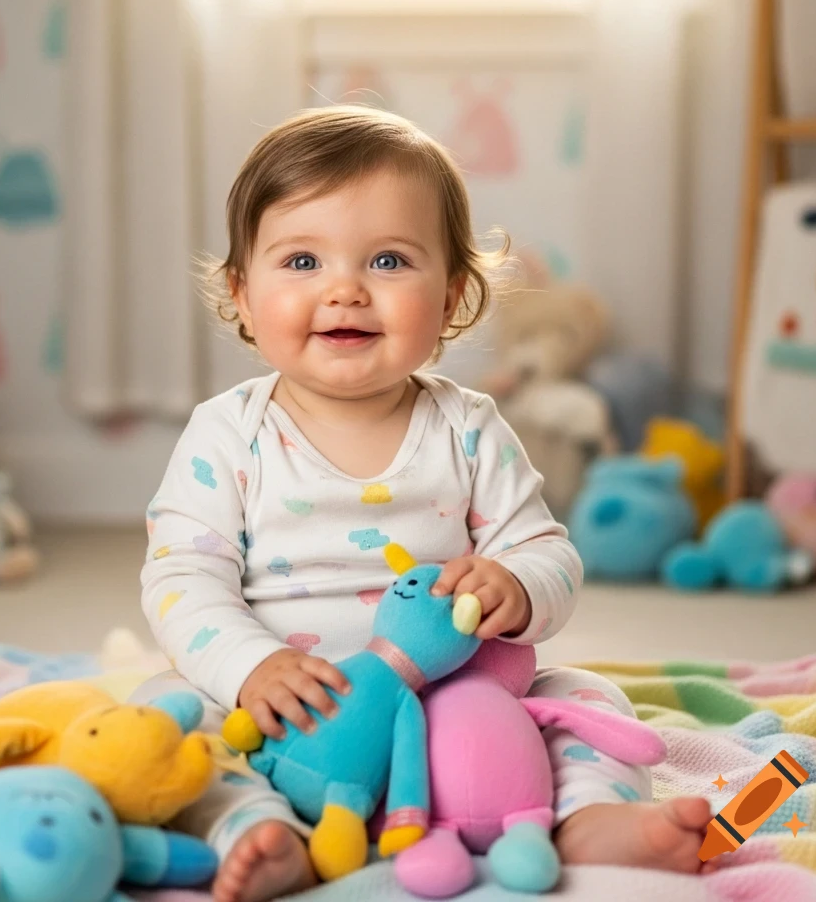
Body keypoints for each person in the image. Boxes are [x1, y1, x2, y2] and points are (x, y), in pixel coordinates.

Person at [136, 107, 711, 902]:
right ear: (241, 291)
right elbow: (180, 579)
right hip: (286, 716)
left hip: (454, 707)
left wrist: (516, 587)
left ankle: (583, 820)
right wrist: (250, 668)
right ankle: (265, 834)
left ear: (451, 298)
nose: (344, 289)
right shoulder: (227, 433)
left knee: (585, 698)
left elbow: (547, 552)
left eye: (387, 260)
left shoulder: (467, 427)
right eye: (301, 260)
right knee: (167, 725)